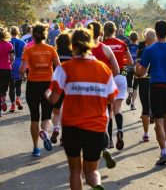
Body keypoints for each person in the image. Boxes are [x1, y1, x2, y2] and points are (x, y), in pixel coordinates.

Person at [46, 28, 118, 190]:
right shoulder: (104, 69)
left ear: (73, 45)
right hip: (97, 127)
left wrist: (47, 93)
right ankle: (96, 185)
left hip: (72, 127)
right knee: (92, 171)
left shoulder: (65, 68)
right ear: (90, 45)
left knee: (75, 171)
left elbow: (54, 99)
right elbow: (111, 99)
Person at [136, 20, 166, 165]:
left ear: (156, 32)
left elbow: (142, 73)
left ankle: (163, 153)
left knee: (158, 122)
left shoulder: (149, 50)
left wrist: (138, 70)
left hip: (156, 86)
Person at [19, 23, 61, 157]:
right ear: (45, 35)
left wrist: (24, 75)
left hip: (33, 85)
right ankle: (44, 132)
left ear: (32, 35)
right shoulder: (51, 49)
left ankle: (36, 148)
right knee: (47, 115)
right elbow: (59, 68)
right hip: (48, 85)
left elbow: (21, 70)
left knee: (34, 117)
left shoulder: (28, 50)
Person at [88, 21, 120, 169]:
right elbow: (117, 70)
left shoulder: (83, 49)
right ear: (100, 34)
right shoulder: (106, 49)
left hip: (87, 90)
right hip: (104, 89)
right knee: (105, 118)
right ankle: (105, 147)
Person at [103, 21, 133, 150]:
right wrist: (122, 60)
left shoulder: (103, 45)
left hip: (108, 78)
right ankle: (120, 130)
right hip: (121, 77)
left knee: (108, 111)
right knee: (117, 109)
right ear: (115, 30)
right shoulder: (122, 44)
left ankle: (109, 141)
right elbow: (131, 62)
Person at [50, 32, 73, 145]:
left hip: (57, 84)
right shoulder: (72, 53)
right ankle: (64, 136)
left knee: (56, 111)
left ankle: (56, 128)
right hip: (69, 85)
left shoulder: (55, 53)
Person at [136, 28, 156, 142]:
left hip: (144, 80)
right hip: (157, 80)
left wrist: (137, 74)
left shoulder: (142, 48)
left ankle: (146, 133)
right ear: (155, 38)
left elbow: (138, 66)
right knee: (158, 108)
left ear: (145, 38)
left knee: (145, 107)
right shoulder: (159, 48)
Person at [8, 26, 26, 112]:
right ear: (18, 32)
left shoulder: (8, 42)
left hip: (11, 63)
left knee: (11, 86)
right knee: (18, 84)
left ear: (10, 33)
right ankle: (18, 98)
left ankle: (12, 105)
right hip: (19, 62)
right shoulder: (22, 42)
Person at [125, 31, 139, 110]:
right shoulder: (139, 47)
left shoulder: (127, 46)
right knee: (135, 87)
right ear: (137, 38)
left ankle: (129, 93)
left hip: (129, 67)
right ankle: (133, 105)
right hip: (136, 67)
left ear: (130, 38)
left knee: (129, 83)